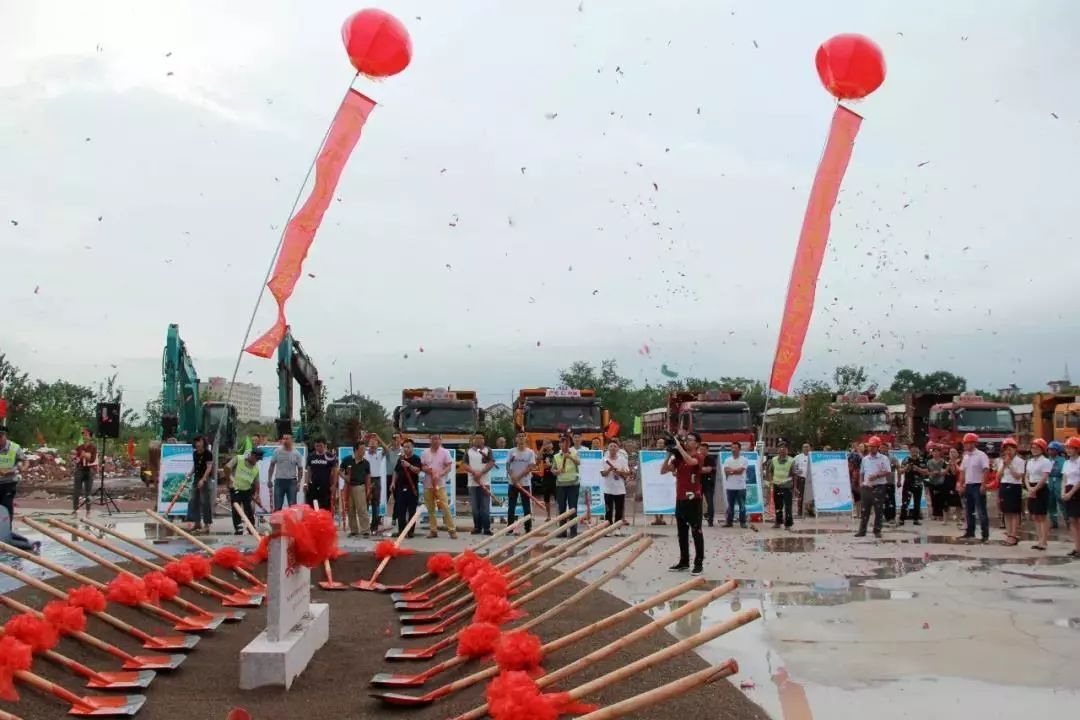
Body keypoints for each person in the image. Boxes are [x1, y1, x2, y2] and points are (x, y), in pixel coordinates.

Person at [662, 432, 704, 575]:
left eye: (690, 440)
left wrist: (679, 448)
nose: (687, 442)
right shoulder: (679, 459)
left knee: (696, 531)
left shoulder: (698, 456)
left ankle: (698, 563)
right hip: (680, 500)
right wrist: (669, 454)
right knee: (682, 533)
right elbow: (663, 470)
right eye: (686, 440)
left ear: (697, 443)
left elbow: (692, 462)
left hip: (694, 500)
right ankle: (684, 561)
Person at [420, 435, 458, 539]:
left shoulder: (445, 452)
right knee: (430, 508)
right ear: (430, 440)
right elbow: (422, 466)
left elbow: (449, 466)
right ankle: (433, 530)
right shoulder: (425, 452)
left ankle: (452, 530)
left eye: (437, 439)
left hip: (440, 484)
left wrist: (440, 474)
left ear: (440, 440)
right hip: (428, 484)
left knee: (445, 507)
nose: (435, 441)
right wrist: (427, 470)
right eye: (433, 439)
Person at [856, 436, 890, 538]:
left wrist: (877, 475)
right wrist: (861, 483)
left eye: (874, 447)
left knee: (878, 509)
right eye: (870, 446)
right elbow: (861, 472)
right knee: (865, 509)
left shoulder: (883, 458)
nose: (871, 448)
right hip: (866, 487)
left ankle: (877, 530)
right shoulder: (865, 459)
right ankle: (862, 531)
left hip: (879, 486)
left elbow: (888, 471)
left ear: (878, 447)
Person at [959, 433, 991, 541]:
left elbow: (985, 470)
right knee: (969, 510)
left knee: (981, 510)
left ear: (973, 443)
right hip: (968, 485)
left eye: (967, 443)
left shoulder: (981, 455)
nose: (965, 445)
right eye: (965, 443)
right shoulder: (965, 456)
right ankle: (970, 531)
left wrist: (983, 484)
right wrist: (961, 484)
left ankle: (985, 534)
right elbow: (962, 471)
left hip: (978, 485)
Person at [1024, 438, 1052, 551]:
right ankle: (1039, 539)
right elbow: (1026, 476)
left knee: (1042, 515)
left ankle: (1044, 541)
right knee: (1035, 515)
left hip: (1041, 488)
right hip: (1031, 487)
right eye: (1033, 448)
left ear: (1042, 449)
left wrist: (1035, 489)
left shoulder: (1046, 461)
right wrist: (1029, 488)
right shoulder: (1030, 462)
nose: (1034, 450)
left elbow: (1044, 477)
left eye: (1037, 448)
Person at [225, 448, 262, 535]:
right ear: (252, 455)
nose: (257, 461)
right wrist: (228, 480)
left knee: (248, 510)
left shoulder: (255, 469)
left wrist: (257, 495)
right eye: (256, 459)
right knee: (236, 509)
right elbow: (227, 467)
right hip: (235, 488)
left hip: (247, 490)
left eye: (258, 460)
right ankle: (238, 528)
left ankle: (251, 527)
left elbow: (257, 483)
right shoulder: (239, 458)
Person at [506, 433, 537, 533]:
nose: (521, 438)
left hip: (525, 483)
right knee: (511, 506)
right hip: (513, 483)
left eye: (523, 436)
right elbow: (507, 465)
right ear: (516, 439)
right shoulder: (511, 451)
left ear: (526, 439)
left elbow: (531, 467)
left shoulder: (530, 452)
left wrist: (518, 477)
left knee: (526, 507)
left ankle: (528, 528)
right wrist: (512, 477)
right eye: (519, 436)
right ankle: (510, 528)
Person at [389, 440, 421, 537]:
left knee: (412, 511)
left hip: (412, 488)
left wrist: (409, 465)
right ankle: (401, 531)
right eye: (405, 447)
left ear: (412, 447)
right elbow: (396, 471)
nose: (406, 448)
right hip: (400, 487)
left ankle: (410, 532)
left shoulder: (416, 458)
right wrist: (393, 482)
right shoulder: (401, 459)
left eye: (408, 447)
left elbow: (418, 470)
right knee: (400, 510)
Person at [339, 441, 371, 536]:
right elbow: (339, 471)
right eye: (362, 449)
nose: (364, 451)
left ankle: (365, 530)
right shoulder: (347, 460)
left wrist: (368, 488)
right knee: (350, 509)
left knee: (362, 509)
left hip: (359, 487)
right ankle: (354, 530)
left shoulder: (366, 463)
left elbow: (368, 476)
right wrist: (345, 477)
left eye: (364, 449)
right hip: (348, 487)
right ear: (356, 450)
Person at [466, 433, 495, 536]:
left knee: (485, 507)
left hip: (485, 483)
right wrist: (474, 472)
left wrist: (481, 472)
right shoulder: (468, 451)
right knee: (475, 508)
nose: (478, 440)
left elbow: (491, 463)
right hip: (472, 483)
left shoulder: (488, 450)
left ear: (484, 440)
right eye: (476, 438)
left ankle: (486, 528)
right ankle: (477, 527)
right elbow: (464, 464)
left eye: (481, 438)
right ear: (473, 440)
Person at [997, 438, 1025, 546]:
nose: (1008, 452)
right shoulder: (1002, 461)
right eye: (1006, 449)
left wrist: (1010, 465)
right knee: (1006, 512)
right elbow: (998, 476)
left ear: (1015, 449)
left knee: (1014, 512)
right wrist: (1004, 465)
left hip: (1014, 486)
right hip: (1004, 485)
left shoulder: (1020, 461)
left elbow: (1018, 476)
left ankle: (1014, 535)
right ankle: (1008, 534)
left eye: (1010, 449)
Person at [553, 435, 581, 538]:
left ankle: (573, 531)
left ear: (568, 444)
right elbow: (553, 470)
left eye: (564, 442)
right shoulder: (556, 456)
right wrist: (557, 471)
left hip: (573, 484)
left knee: (573, 508)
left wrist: (570, 457)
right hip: (561, 484)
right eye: (560, 443)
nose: (562, 444)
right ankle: (562, 531)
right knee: (562, 509)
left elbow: (579, 463)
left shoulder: (574, 453)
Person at [186, 435, 214, 534]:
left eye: (199, 441)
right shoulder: (195, 453)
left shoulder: (208, 454)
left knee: (205, 502)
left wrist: (203, 479)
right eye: (196, 442)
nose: (197, 444)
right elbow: (195, 466)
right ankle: (197, 523)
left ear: (203, 442)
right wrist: (190, 474)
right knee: (193, 500)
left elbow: (209, 467)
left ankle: (207, 525)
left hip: (205, 479)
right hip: (196, 478)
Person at [268, 434, 304, 511]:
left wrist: (299, 482)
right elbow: (272, 465)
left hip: (291, 482)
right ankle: (278, 522)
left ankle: (292, 523)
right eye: (283, 438)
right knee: (277, 506)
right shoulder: (277, 451)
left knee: (293, 507)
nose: (284, 440)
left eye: (287, 439)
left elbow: (300, 469)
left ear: (291, 440)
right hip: (279, 481)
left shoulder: (297, 453)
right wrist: (269, 479)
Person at [600, 440, 630, 532]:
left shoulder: (622, 459)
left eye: (615, 446)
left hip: (620, 489)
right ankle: (608, 528)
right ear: (608, 448)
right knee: (608, 510)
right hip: (608, 489)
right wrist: (609, 469)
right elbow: (602, 474)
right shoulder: (604, 460)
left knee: (619, 510)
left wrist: (620, 472)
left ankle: (617, 528)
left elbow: (628, 472)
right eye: (611, 446)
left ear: (618, 448)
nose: (613, 448)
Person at [0, 426, 28, 521]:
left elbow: (25, 460)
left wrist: (23, 468)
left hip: (9, 482)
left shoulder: (15, 447)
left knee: (6, 507)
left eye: (0, 437)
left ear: (4, 436)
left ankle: (6, 531)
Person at [304, 438, 337, 513]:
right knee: (312, 506)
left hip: (325, 485)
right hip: (313, 485)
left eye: (320, 446)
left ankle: (324, 522)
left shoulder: (330, 456)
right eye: (316, 446)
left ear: (325, 445)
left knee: (325, 506)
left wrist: (334, 485)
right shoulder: (311, 456)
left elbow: (335, 471)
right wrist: (306, 483)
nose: (318, 448)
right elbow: (308, 470)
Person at [898, 445, 927, 526]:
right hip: (908, 483)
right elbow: (900, 471)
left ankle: (916, 519)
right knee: (905, 502)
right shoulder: (906, 459)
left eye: (916, 451)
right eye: (913, 451)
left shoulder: (921, 460)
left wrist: (917, 468)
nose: (914, 452)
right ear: (910, 451)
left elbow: (926, 471)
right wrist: (907, 468)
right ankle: (902, 519)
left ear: (918, 451)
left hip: (918, 484)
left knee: (917, 502)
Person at [71, 429, 97, 516]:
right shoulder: (79, 447)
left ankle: (88, 511)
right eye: (84, 435)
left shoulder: (93, 447)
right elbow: (75, 459)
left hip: (89, 470)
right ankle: (75, 509)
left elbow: (92, 459)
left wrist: (85, 455)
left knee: (88, 492)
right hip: (80, 470)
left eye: (86, 435)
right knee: (76, 491)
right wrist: (74, 456)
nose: (85, 436)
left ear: (90, 437)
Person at [723, 441, 749, 528]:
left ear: (739, 449)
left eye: (735, 448)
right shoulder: (727, 460)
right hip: (730, 486)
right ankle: (729, 522)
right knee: (730, 506)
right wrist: (735, 471)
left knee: (742, 505)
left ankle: (743, 522)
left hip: (741, 487)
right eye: (732, 448)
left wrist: (732, 471)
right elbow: (726, 470)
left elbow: (741, 471)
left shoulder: (744, 460)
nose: (733, 450)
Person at [1061, 436, 1080, 557]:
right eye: (1067, 448)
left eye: (1071, 448)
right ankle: (1077, 548)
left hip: (1077, 491)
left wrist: (1070, 493)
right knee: (1072, 520)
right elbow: (1065, 478)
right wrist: (1063, 492)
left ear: (1077, 449)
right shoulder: (1066, 463)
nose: (1068, 450)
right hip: (1068, 490)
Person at [769, 444, 795, 529]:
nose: (782, 451)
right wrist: (771, 482)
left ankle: (788, 524)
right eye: (780, 449)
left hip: (787, 487)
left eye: (784, 449)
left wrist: (794, 486)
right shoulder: (774, 460)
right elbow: (770, 471)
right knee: (778, 505)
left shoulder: (792, 461)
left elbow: (794, 474)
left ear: (787, 451)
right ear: (778, 451)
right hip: (777, 486)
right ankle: (778, 522)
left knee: (788, 506)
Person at [364, 435, 386, 534]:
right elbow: (355, 448)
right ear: (368, 445)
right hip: (365, 480)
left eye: (375, 443)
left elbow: (387, 449)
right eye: (371, 443)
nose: (373, 444)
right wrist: (363, 439)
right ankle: (364, 526)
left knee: (375, 504)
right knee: (364, 504)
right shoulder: (364, 454)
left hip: (376, 480)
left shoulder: (380, 454)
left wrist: (379, 437)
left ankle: (374, 527)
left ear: (377, 445)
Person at [1047, 441, 1068, 529]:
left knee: (1061, 501)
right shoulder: (1047, 460)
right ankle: (1053, 521)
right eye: (1049, 450)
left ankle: (1068, 520)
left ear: (1057, 450)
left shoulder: (1062, 460)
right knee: (1050, 501)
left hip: (1059, 480)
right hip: (1050, 480)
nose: (1050, 451)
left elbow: (1064, 472)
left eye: (1053, 450)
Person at [925, 444, 949, 522]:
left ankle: (941, 514)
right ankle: (935, 514)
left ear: (939, 453)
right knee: (933, 498)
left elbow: (945, 470)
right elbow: (927, 471)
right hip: (932, 481)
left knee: (941, 498)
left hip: (941, 481)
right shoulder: (929, 462)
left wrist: (939, 472)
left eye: (937, 452)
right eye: (934, 452)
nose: (935, 453)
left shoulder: (943, 461)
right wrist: (931, 473)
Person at [652, 438, 669, 526]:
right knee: (655, 499)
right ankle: (656, 518)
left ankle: (661, 518)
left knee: (662, 499)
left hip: (664, 479)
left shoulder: (667, 453)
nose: (660, 444)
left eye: (662, 443)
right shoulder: (651, 453)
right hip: (654, 479)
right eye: (659, 443)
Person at [538, 439, 556, 520]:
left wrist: (550, 465)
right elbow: (538, 458)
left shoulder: (556, 454)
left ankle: (558, 515)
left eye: (549, 443)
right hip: (546, 478)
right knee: (546, 498)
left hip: (555, 478)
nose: (548, 445)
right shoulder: (544, 455)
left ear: (552, 445)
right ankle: (548, 516)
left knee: (557, 498)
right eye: (546, 444)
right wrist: (542, 447)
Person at [792, 443, 811, 518]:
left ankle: (811, 511)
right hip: (802, 479)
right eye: (804, 447)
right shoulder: (798, 457)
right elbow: (793, 467)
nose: (806, 448)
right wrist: (796, 471)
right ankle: (800, 512)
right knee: (801, 496)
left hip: (811, 480)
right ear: (802, 449)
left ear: (810, 448)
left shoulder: (813, 456)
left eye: (807, 447)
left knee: (811, 496)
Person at [699, 448, 717, 527]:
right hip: (698, 483)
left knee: (710, 502)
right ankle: (698, 520)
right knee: (697, 503)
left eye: (704, 449)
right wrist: (703, 470)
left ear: (707, 450)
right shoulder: (697, 458)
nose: (702, 451)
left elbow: (709, 470)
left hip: (709, 483)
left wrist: (700, 470)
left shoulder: (711, 459)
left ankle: (710, 521)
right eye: (701, 449)